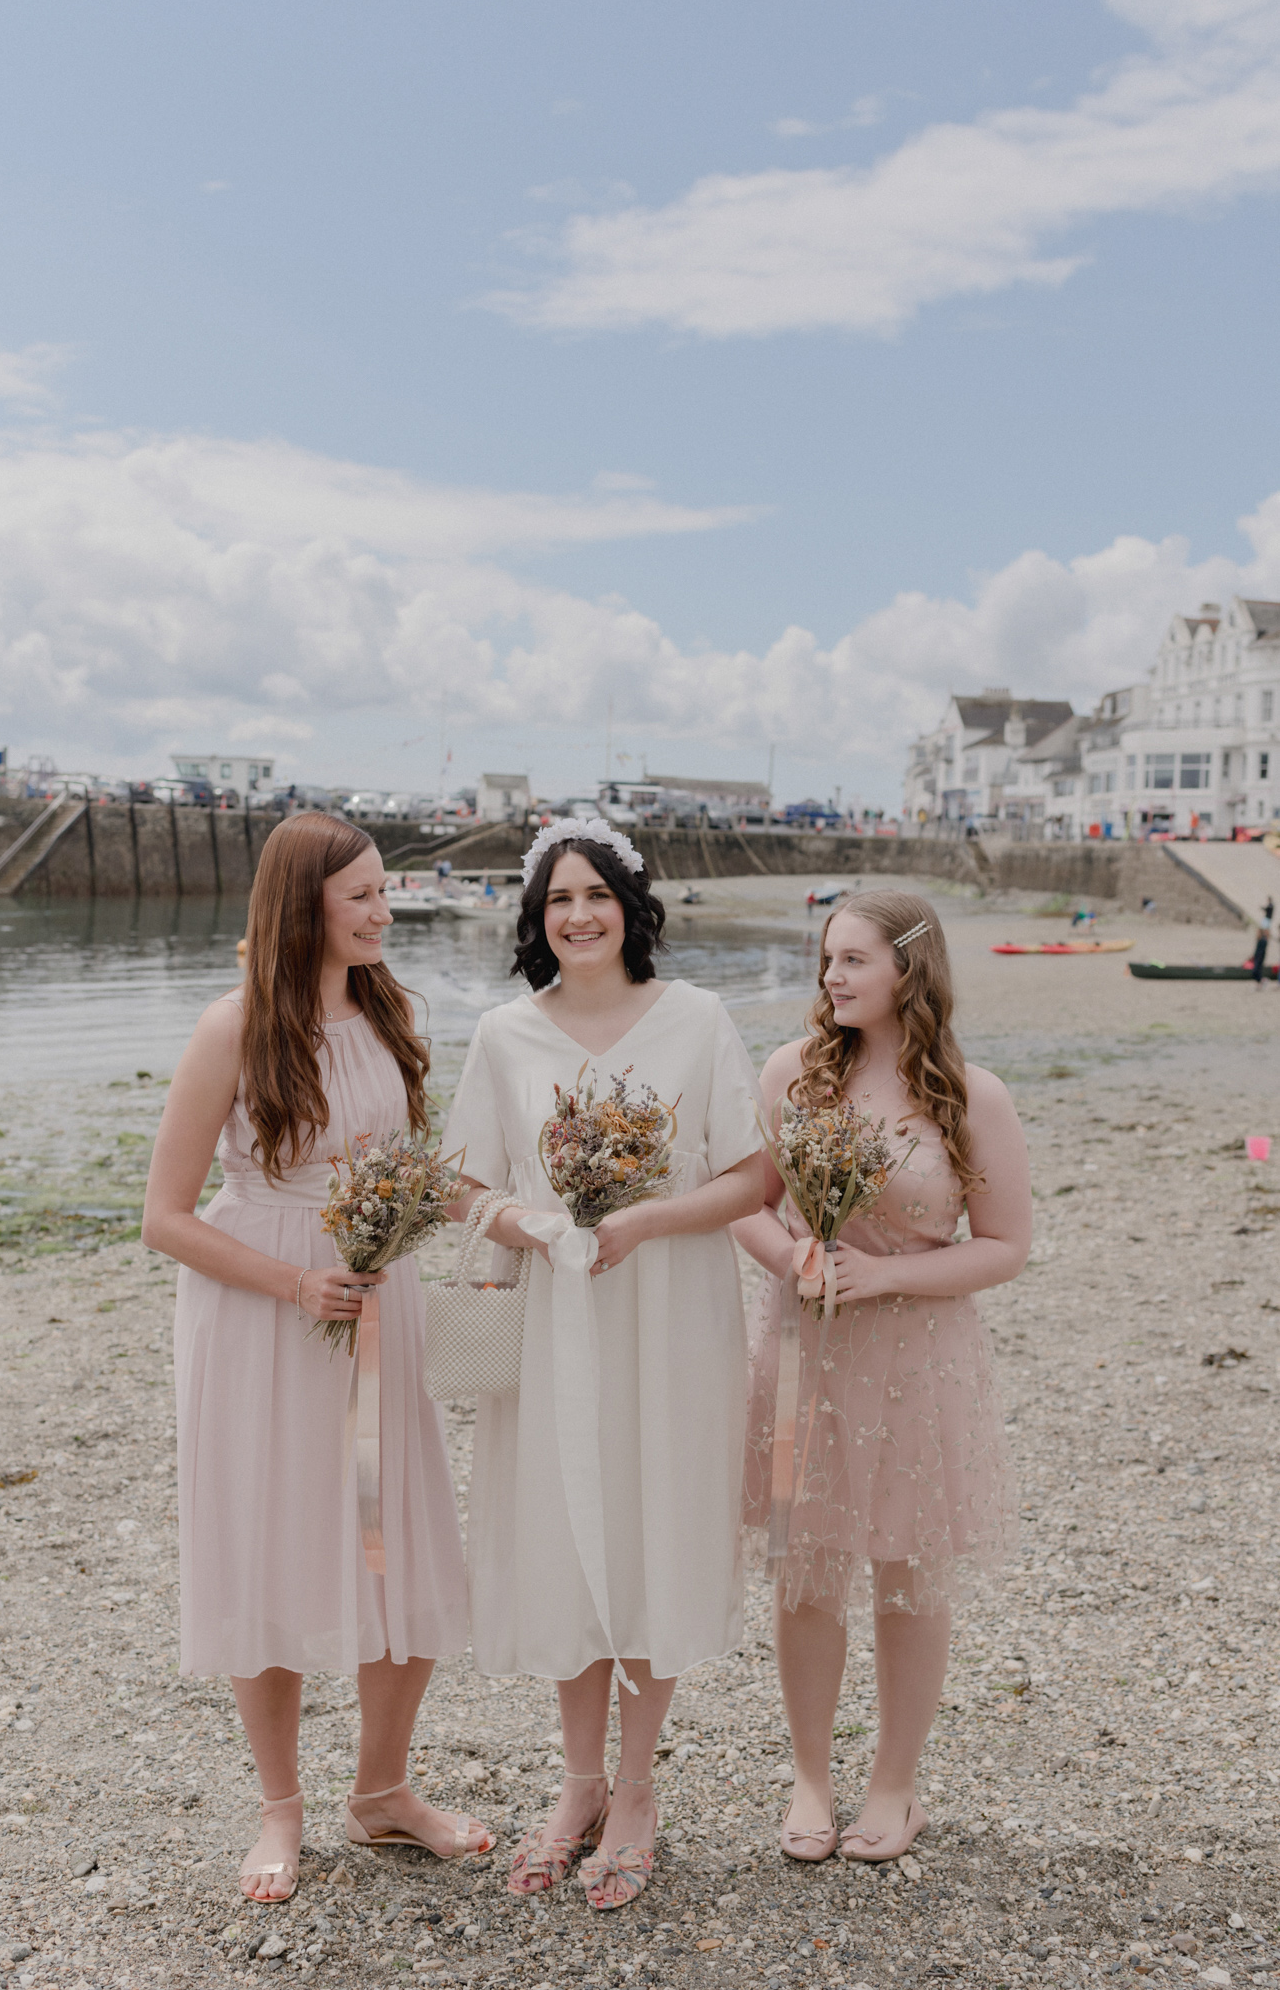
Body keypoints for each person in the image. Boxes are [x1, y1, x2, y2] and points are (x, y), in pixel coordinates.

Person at [142, 812, 490, 1906]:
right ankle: (279, 1805)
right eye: (364, 897)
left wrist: (505, 1218)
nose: (385, 911)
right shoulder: (231, 1028)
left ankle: (382, 1788)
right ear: (305, 906)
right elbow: (164, 1216)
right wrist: (295, 1282)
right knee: (273, 1544)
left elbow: (414, 1169)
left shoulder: (385, 1012)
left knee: (399, 1543)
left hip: (380, 1301)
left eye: (386, 892)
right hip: (262, 1311)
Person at [441, 818, 769, 1910]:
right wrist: (524, 1220)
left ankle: (637, 1790)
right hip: (552, 1317)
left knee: (654, 1528)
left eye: (595, 894)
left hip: (670, 1312)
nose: (576, 915)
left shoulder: (697, 1019)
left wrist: (650, 1218)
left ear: (630, 903)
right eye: (555, 901)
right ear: (536, 921)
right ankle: (574, 1785)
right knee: (564, 1539)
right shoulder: (502, 1034)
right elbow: (457, 1181)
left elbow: (752, 1174)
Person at [732, 890, 1030, 1865]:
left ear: (909, 966)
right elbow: (745, 1204)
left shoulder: (969, 1094)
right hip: (806, 1347)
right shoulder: (792, 1073)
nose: (832, 977)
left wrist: (888, 1270)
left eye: (852, 958)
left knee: (909, 1576)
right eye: (826, 959)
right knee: (806, 1572)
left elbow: (1003, 1246)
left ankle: (895, 1785)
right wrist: (795, 1260)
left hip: (918, 1356)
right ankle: (811, 1776)